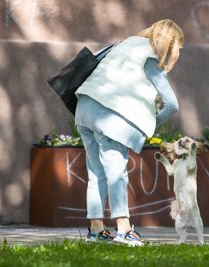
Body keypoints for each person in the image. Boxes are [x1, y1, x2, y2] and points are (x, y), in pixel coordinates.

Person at [74, 19, 183, 246]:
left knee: (96, 174)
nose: (176, 53)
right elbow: (172, 104)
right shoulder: (151, 58)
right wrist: (151, 122)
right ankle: (124, 231)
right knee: (117, 174)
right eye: (178, 48)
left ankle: (96, 232)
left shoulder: (124, 45)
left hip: (84, 109)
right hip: (109, 117)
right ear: (170, 43)